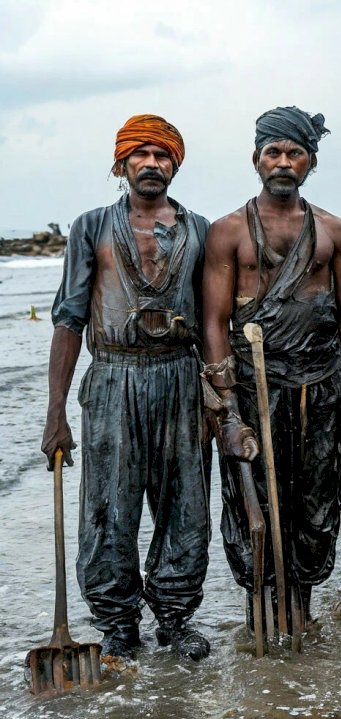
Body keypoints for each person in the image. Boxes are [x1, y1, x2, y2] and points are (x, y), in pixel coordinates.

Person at [41, 114, 212, 661]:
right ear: (122, 164)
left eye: (163, 156)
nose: (153, 164)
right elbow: (69, 319)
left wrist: (218, 400)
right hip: (112, 377)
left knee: (185, 504)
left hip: (181, 376)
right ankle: (117, 623)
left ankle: (175, 618)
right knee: (107, 508)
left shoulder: (199, 229)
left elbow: (212, 320)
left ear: (175, 164)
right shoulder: (91, 227)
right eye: (142, 155)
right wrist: (55, 413)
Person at [202, 106, 341, 629]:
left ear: (311, 161)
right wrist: (226, 408)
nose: (283, 162)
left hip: (320, 388)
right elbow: (214, 322)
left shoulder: (330, 231)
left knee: (317, 501)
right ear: (255, 159)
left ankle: (299, 602)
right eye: (273, 152)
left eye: (294, 153)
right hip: (257, 388)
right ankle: (259, 604)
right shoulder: (228, 232)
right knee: (252, 500)